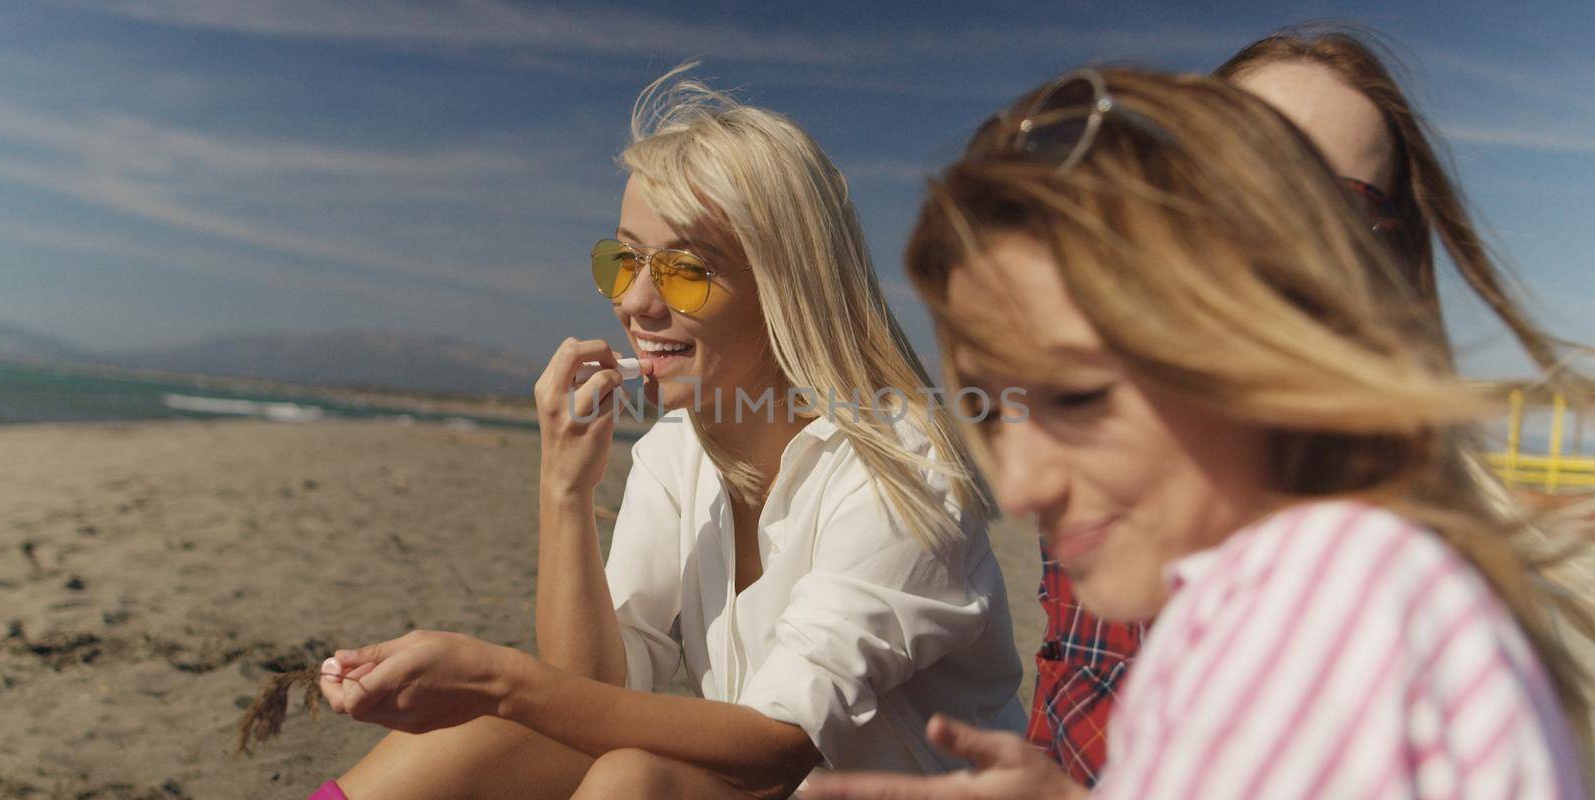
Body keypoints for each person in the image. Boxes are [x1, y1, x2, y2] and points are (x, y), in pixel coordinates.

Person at [804, 66, 1591, 798]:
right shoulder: (1248, 594)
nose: (1018, 486)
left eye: (1079, 396)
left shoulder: (1330, 605)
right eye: (991, 410)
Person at [306, 68, 1025, 799]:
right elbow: (589, 694)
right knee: (494, 733)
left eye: (685, 271)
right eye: (622, 262)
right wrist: (565, 488)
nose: (637, 302)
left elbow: (777, 745)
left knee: (627, 777)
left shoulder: (899, 466)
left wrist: (498, 679)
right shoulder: (675, 451)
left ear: (786, 287)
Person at [1023, 28, 1592, 786]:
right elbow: (1072, 692)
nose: (1285, 243)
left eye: (1339, 210)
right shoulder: (1087, 474)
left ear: (1390, 269)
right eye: (1241, 186)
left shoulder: (1420, 587)